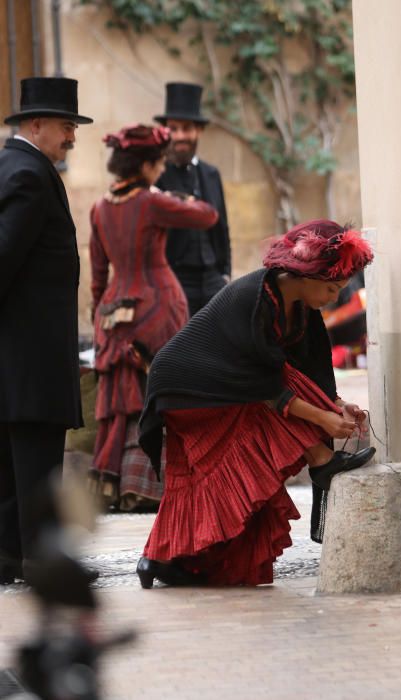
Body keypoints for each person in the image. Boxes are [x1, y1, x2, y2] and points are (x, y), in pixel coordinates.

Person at [136, 219, 375, 588]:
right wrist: (324, 421)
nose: (335, 298)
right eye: (331, 288)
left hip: (226, 386)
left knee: (199, 478)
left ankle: (162, 559)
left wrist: (337, 405)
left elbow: (309, 369)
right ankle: (322, 461)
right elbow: (264, 385)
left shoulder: (300, 306)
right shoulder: (255, 298)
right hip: (184, 387)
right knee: (275, 396)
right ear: (305, 275)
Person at [88, 124, 219, 511]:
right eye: (158, 163)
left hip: (114, 309)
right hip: (157, 305)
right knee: (164, 389)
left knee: (123, 400)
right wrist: (171, 194)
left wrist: (101, 317)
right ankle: (156, 484)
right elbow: (206, 216)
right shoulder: (149, 200)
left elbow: (97, 276)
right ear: (145, 165)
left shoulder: (99, 206)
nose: (161, 169)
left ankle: (123, 485)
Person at [0, 77, 93, 585]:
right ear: (35, 125)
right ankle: (41, 561)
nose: (71, 137)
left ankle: (11, 555)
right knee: (35, 462)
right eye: (65, 126)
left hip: (18, 355)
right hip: (29, 355)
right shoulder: (29, 173)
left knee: (12, 467)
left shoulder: (15, 166)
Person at [154, 82, 231, 315]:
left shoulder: (211, 174)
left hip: (212, 279)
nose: (180, 136)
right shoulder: (158, 175)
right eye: (173, 129)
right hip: (175, 279)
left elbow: (223, 228)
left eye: (186, 128)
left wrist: (225, 272)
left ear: (198, 130)